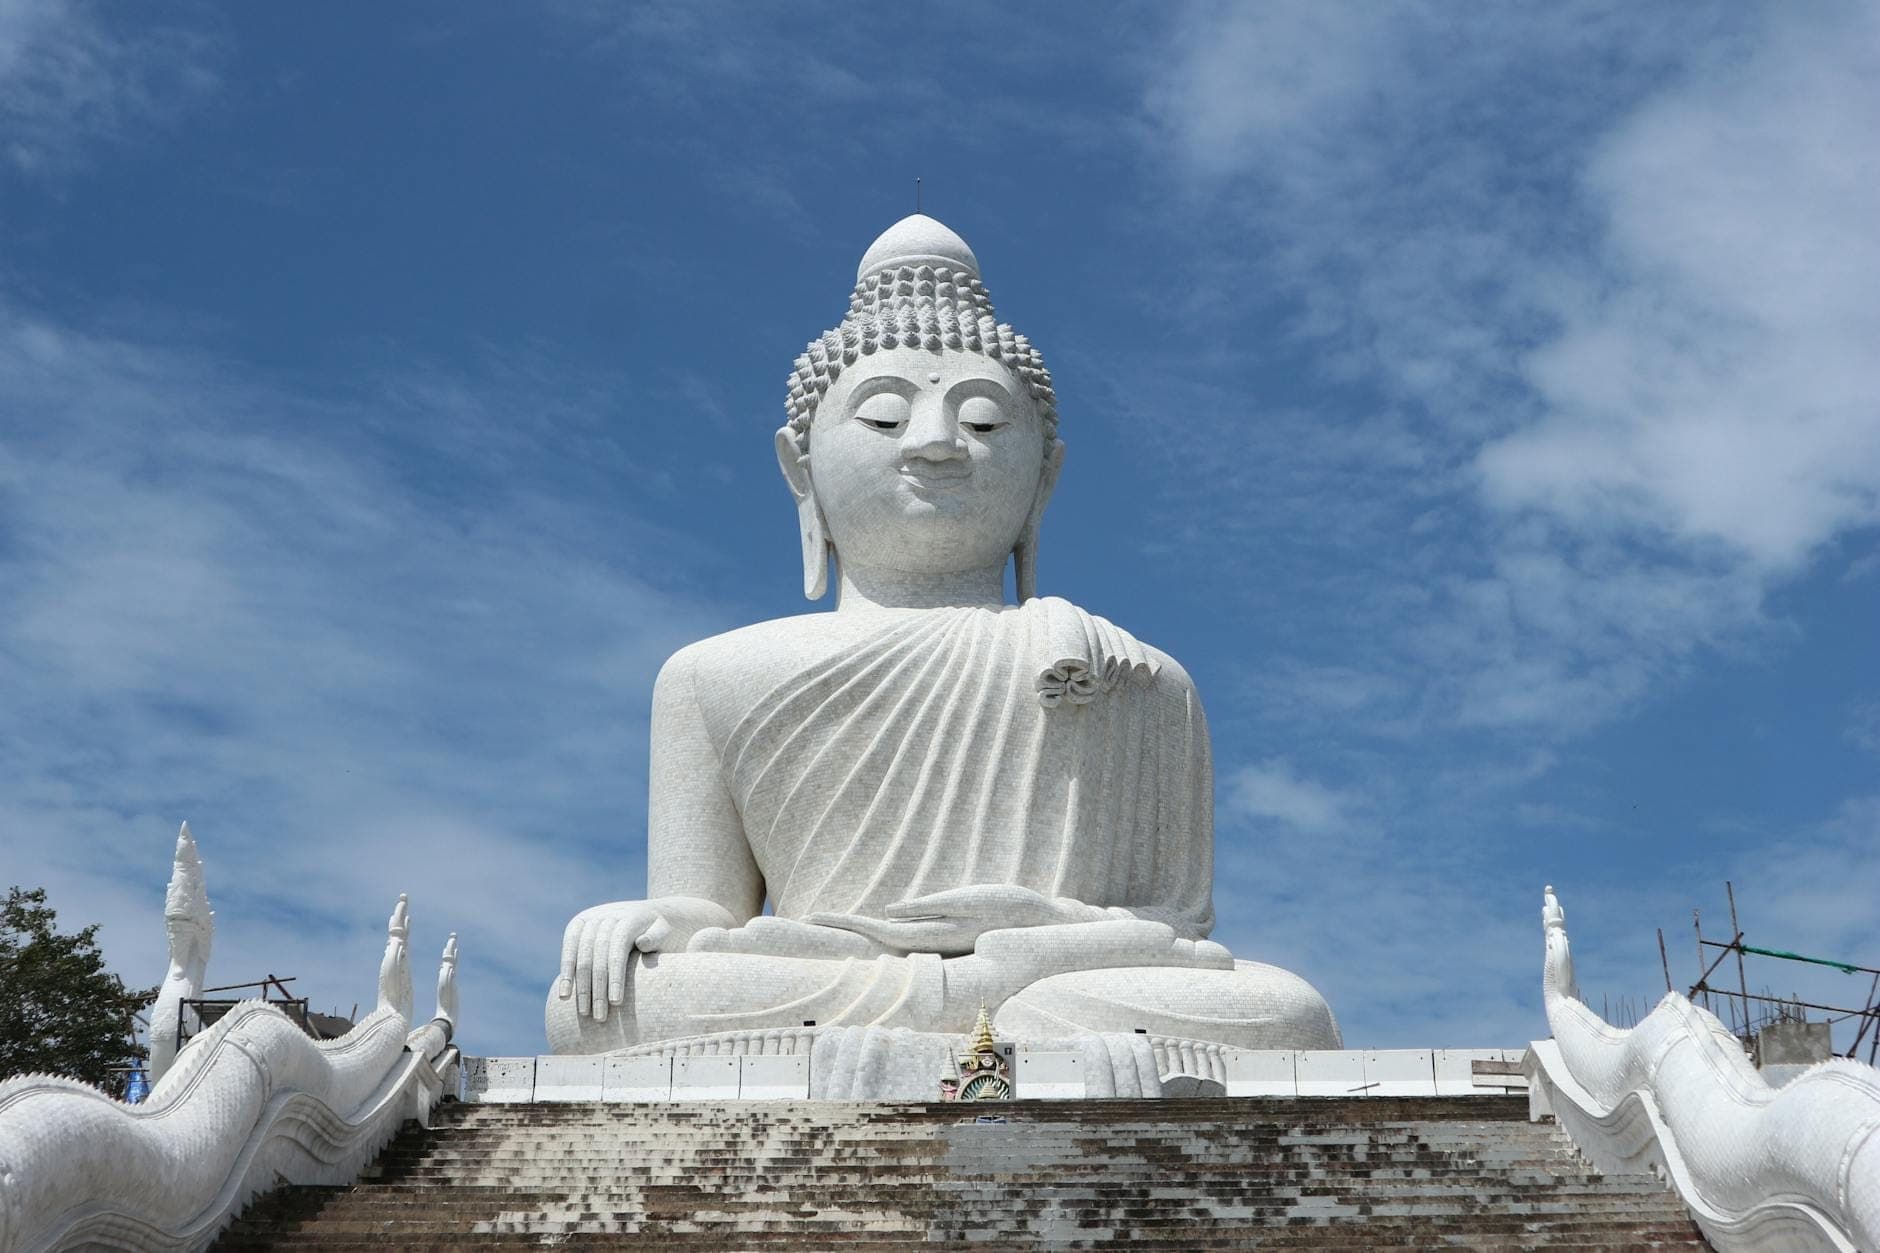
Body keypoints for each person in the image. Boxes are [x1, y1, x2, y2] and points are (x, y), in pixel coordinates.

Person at [545, 215, 1337, 1055]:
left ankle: (966, 1021)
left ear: (1046, 478)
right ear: (799, 470)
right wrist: (644, 920)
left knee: (1289, 1011)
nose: (935, 443)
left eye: (986, 423)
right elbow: (710, 910)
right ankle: (986, 1023)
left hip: (1049, 977)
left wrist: (1036, 930)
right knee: (602, 1003)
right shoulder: (712, 674)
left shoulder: (1138, 676)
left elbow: (1170, 931)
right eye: (885, 417)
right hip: (840, 973)